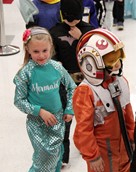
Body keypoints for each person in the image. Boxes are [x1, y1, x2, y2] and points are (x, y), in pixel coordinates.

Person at [13, 26, 76, 172]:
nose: (41, 55)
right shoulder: (25, 74)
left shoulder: (57, 68)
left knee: (57, 156)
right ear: (28, 49)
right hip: (37, 124)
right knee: (43, 161)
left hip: (58, 120)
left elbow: (72, 87)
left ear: (51, 48)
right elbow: (18, 101)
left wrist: (69, 109)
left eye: (45, 51)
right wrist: (39, 111)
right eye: (36, 52)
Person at [73, 28, 135, 172]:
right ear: (92, 64)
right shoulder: (86, 91)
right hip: (102, 152)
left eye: (119, 59)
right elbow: (83, 129)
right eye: (112, 62)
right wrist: (92, 156)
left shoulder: (121, 81)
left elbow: (128, 115)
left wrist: (132, 138)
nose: (118, 65)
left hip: (123, 147)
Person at [49, 0, 94, 167]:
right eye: (68, 19)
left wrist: (81, 38)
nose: (71, 23)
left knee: (88, 117)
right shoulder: (54, 32)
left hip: (88, 82)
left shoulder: (89, 31)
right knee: (65, 119)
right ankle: (63, 155)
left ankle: (87, 146)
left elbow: (96, 54)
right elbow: (51, 56)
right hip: (64, 82)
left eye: (75, 19)